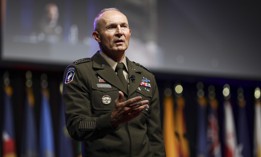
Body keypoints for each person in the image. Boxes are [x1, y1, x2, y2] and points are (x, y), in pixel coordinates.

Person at [62, 8, 166, 157]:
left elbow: (155, 138)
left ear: (129, 33)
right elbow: (77, 126)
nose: (119, 32)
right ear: (97, 36)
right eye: (111, 27)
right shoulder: (81, 71)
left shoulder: (146, 77)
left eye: (123, 26)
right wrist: (111, 120)